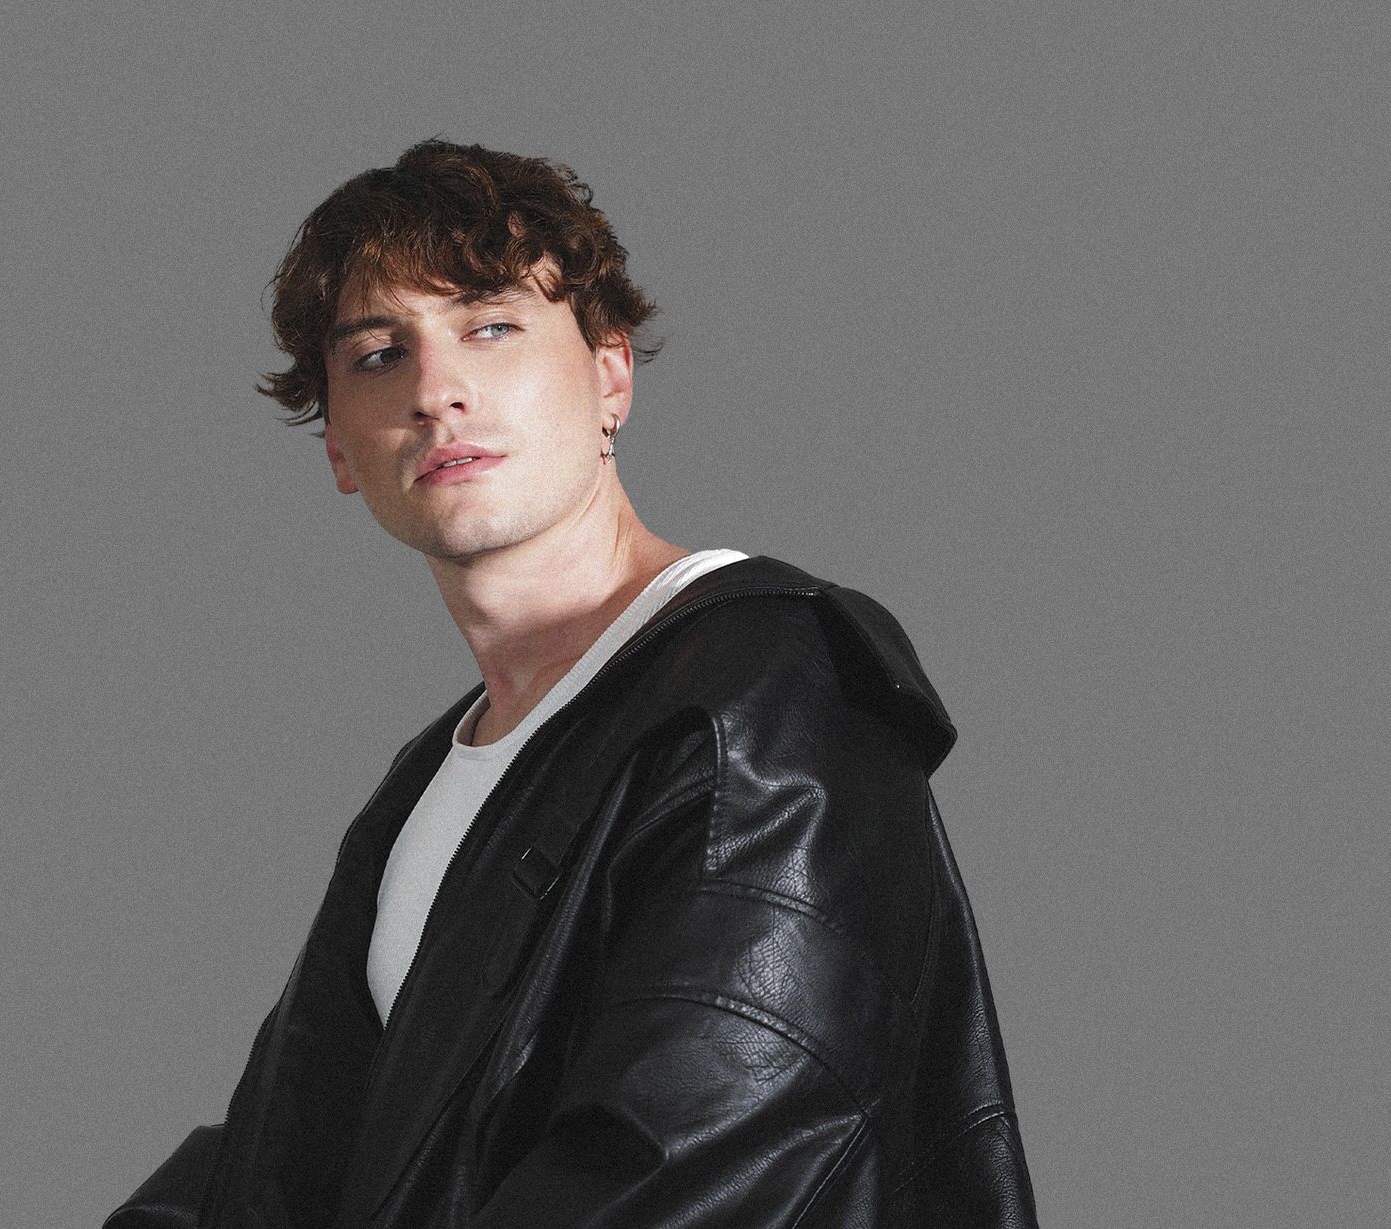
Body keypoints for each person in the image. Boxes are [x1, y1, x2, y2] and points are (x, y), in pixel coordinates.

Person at [106, 140, 1038, 1228]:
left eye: (490, 326)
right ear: (340, 454)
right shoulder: (428, 790)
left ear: (610, 374)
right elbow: (280, 1162)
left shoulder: (767, 696)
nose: (436, 391)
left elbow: (689, 1168)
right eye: (378, 355)